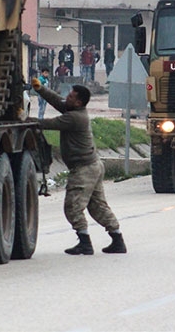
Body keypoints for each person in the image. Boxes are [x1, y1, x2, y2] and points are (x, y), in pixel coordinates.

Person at [30, 78, 127, 255]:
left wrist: (25, 120)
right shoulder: (74, 111)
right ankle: (117, 239)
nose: (67, 97)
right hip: (93, 166)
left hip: (84, 169)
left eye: (71, 96)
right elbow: (57, 100)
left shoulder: (75, 118)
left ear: (79, 102)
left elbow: (48, 124)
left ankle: (84, 242)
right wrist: (40, 89)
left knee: (73, 206)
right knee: (98, 206)